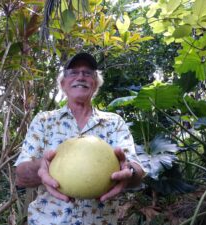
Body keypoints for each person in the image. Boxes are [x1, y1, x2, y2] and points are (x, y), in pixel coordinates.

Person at [14, 52, 145, 225]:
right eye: (73, 72)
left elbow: (137, 171)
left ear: (96, 84)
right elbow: (21, 176)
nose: (81, 76)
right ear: (62, 84)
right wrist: (46, 166)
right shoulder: (44, 121)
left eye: (88, 73)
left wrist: (129, 172)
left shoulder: (114, 123)